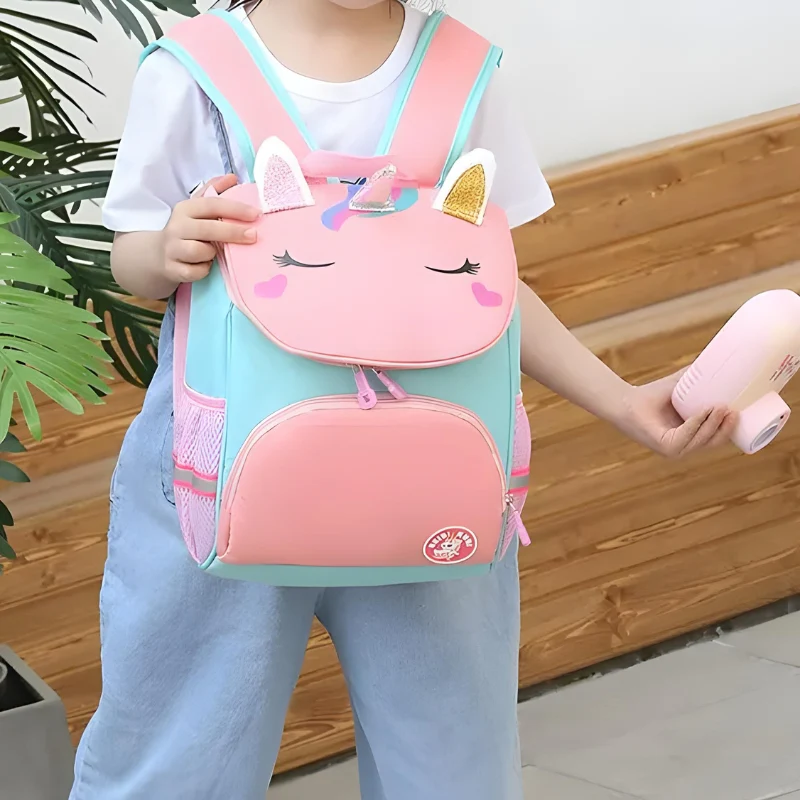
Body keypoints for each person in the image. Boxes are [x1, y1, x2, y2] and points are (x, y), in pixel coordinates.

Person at [71, 1, 736, 798]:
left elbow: (487, 283)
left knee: (451, 765)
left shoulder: (462, 71)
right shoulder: (194, 70)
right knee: (177, 762)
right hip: (217, 477)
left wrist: (624, 403)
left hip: (430, 486)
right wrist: (167, 248)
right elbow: (132, 256)